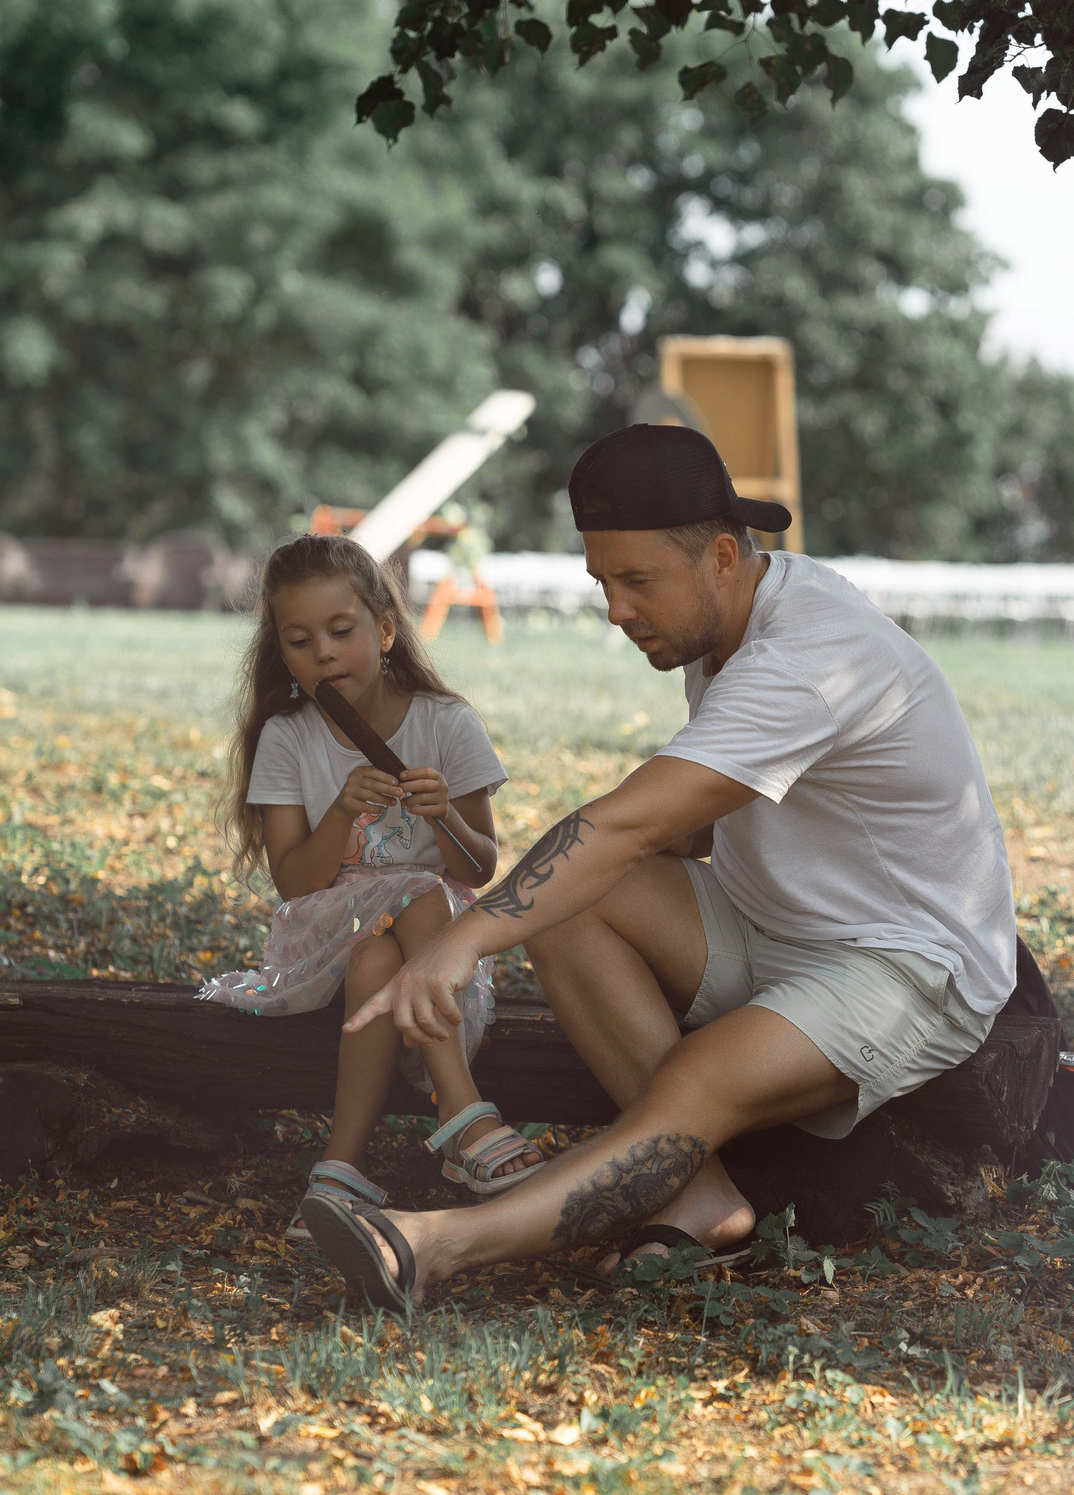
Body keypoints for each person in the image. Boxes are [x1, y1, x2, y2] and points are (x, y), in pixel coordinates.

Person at [298, 424, 1016, 1311]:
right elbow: (686, 827)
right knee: (573, 898)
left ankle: (428, 1246)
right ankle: (699, 1192)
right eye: (603, 581)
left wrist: (462, 939)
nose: (616, 609)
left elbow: (630, 824)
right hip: (774, 923)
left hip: (904, 961)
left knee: (695, 1071)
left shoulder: (807, 656)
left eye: (638, 581)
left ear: (722, 556)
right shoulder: (732, 617)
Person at [202, 533, 541, 1240]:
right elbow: (295, 882)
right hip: (324, 934)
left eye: (341, 631)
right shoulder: (289, 738)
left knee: (382, 956)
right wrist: (340, 813)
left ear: (385, 631)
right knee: (411, 896)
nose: (323, 654)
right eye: (300, 641)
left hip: (431, 949)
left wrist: (444, 815)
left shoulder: (447, 724)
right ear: (281, 652)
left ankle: (340, 1169)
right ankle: (462, 1112)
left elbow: (478, 868)